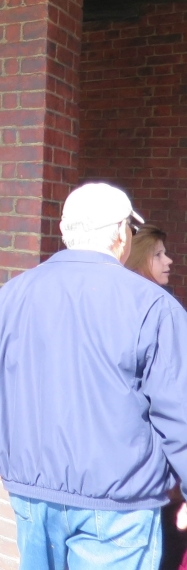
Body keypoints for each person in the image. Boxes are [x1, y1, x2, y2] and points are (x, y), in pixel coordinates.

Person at [0, 182, 187, 570]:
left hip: (31, 494)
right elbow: (179, 406)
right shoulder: (154, 306)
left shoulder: (14, 293)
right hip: (117, 505)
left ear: (64, 230)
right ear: (121, 232)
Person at [127, 225, 185, 570]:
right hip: (147, 477)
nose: (170, 260)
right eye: (159, 254)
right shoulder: (158, 312)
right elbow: (175, 402)